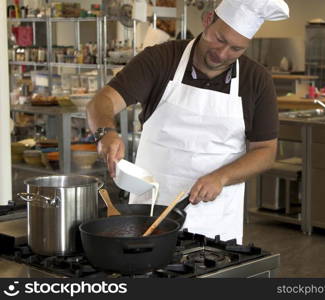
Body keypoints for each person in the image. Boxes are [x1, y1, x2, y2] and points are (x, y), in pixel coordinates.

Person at [86, 0, 289, 243]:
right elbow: (103, 100)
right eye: (220, 39)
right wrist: (106, 132)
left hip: (216, 218)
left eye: (236, 49)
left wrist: (222, 177)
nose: (222, 54)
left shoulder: (256, 80)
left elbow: (265, 151)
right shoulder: (162, 59)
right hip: (150, 212)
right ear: (207, 20)